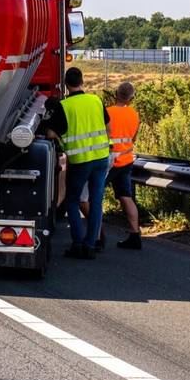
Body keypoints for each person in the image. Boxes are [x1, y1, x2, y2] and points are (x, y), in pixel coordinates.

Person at [59, 67, 112, 259]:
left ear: (66, 84)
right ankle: (91, 244)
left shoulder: (64, 106)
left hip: (81, 161)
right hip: (101, 158)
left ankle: (78, 243)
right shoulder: (96, 100)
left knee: (73, 200)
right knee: (96, 201)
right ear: (82, 81)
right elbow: (107, 126)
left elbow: (53, 132)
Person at [106, 81, 143, 250]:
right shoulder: (135, 115)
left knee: (92, 197)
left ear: (116, 94)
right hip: (126, 160)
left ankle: (97, 236)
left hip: (108, 161)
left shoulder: (107, 112)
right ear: (131, 98)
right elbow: (132, 139)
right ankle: (135, 234)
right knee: (126, 197)